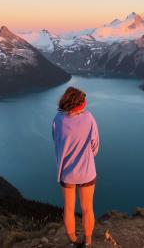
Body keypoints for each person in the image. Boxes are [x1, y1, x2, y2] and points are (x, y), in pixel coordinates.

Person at [52, 86, 99, 248]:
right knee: (87, 209)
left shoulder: (58, 119)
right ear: (80, 104)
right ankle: (87, 242)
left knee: (69, 209)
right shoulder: (89, 118)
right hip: (87, 172)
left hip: (67, 173)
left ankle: (73, 241)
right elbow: (95, 146)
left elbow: (57, 142)